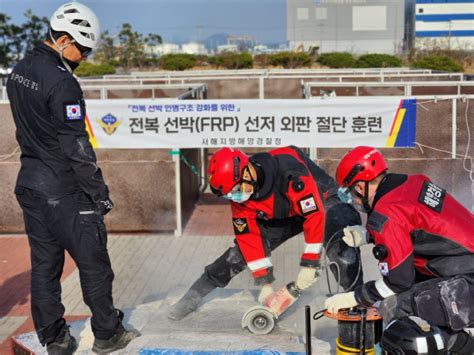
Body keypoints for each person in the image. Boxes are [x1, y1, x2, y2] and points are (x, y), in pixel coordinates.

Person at [7, 3, 139, 354]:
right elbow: (77, 146)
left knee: (45, 267)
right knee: (95, 264)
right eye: (82, 48)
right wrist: (99, 192)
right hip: (64, 189)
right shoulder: (63, 83)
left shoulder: (18, 70)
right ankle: (108, 334)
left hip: (30, 184)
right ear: (63, 39)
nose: (83, 56)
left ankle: (55, 340)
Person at [168, 146, 363, 320]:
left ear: (246, 172)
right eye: (230, 194)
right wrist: (265, 283)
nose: (235, 197)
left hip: (320, 201)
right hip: (284, 214)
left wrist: (310, 264)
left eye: (235, 190)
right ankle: (190, 298)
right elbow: (248, 237)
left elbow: (314, 215)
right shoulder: (240, 196)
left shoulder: (289, 171)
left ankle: (359, 301)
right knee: (236, 256)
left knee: (341, 246)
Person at [324, 146, 474, 354]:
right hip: (460, 268)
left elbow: (398, 280)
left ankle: (461, 346)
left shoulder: (386, 215)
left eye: (350, 193)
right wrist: (368, 235)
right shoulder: (413, 182)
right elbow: (418, 224)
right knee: (405, 290)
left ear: (360, 187)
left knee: (393, 307)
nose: (354, 201)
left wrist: (355, 297)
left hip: (467, 281)